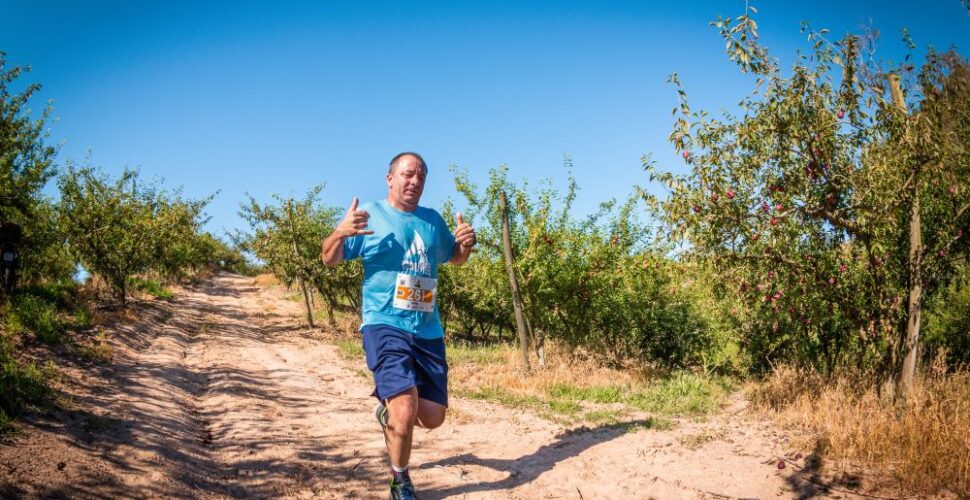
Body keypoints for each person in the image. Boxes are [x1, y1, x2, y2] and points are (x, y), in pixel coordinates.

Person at [320, 152, 475, 500]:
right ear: (390, 178)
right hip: (384, 323)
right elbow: (328, 258)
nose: (415, 181)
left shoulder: (433, 222)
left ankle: (386, 413)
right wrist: (339, 233)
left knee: (432, 417)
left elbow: (456, 258)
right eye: (407, 174)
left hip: (427, 329)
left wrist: (466, 244)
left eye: (421, 176)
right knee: (404, 408)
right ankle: (400, 480)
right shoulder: (372, 215)